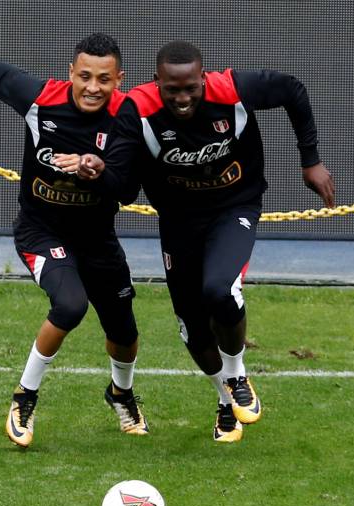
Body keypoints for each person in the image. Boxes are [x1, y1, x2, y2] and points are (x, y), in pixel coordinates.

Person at [78, 41, 335, 443]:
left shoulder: (232, 89)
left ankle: (237, 374)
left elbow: (292, 90)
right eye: (172, 90)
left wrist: (311, 160)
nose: (182, 99)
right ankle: (224, 400)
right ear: (157, 82)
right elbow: (125, 190)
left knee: (219, 288)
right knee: (193, 329)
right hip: (179, 221)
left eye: (190, 89)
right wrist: (97, 171)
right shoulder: (137, 110)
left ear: (203, 78)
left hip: (235, 206)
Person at [0, 33, 148, 448]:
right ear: (71, 72)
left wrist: (96, 169)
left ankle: (121, 394)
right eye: (85, 76)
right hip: (41, 231)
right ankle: (24, 397)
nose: (93, 87)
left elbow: (127, 192)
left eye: (104, 79)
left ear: (119, 80)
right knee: (70, 304)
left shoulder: (127, 115)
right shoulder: (42, 99)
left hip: (97, 237)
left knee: (124, 332)